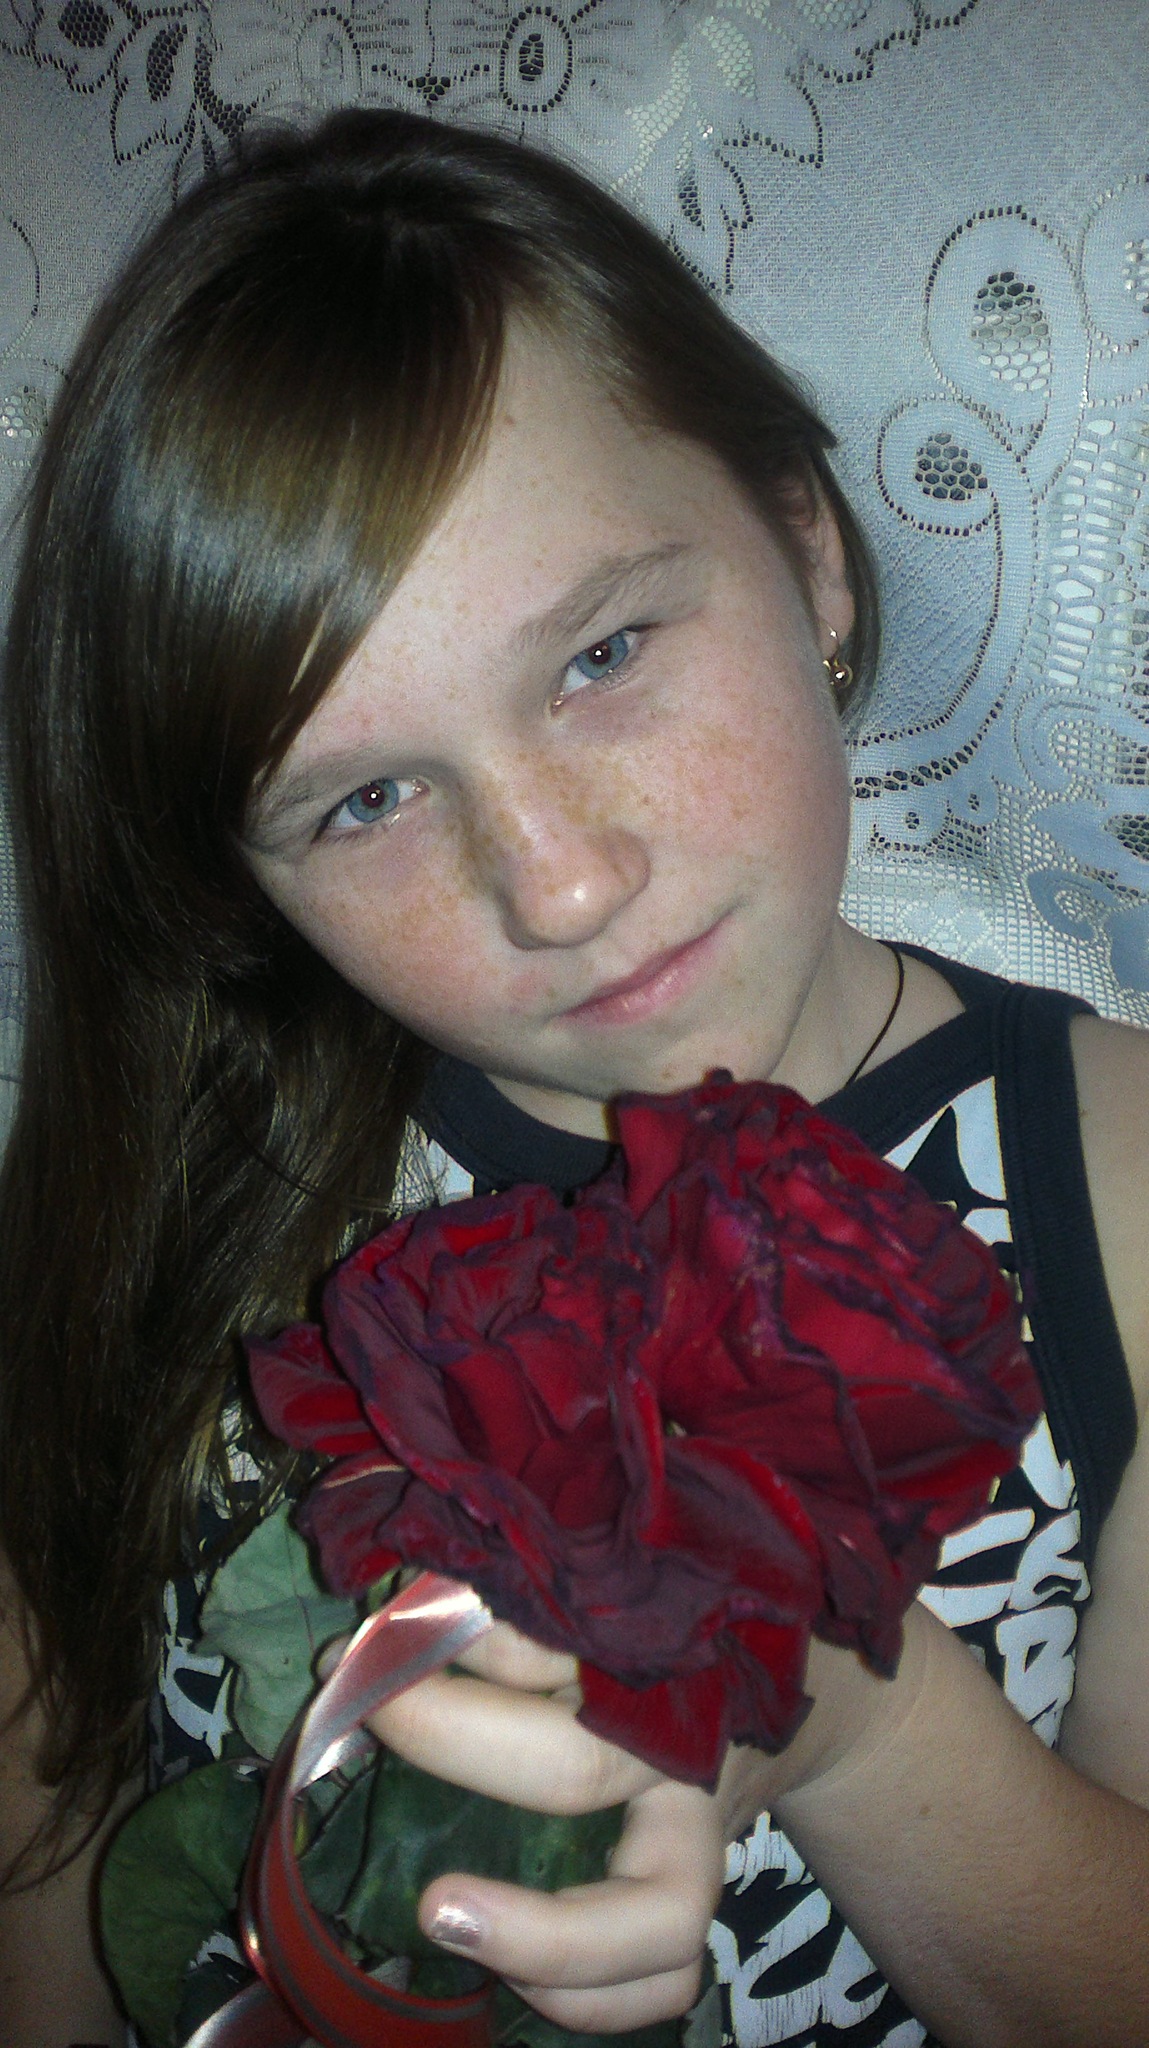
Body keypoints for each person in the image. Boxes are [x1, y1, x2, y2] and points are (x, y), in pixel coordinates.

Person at [0, 108, 1147, 2048]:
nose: (558, 884)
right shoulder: (191, 1182)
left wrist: (848, 1729)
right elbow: (52, 1835)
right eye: (365, 797)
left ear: (808, 554)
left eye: (601, 652)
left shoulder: (1119, 1188)